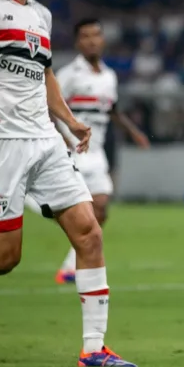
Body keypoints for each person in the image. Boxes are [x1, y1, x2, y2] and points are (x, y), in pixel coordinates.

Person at [0, 0, 135, 367]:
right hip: (0, 141)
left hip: (45, 142)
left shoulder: (40, 14)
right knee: (1, 260)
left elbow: (44, 76)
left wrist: (69, 120)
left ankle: (93, 349)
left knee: (90, 234)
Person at [23, 18, 150, 284]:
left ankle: (70, 267)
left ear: (103, 40)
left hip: (97, 152)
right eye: (85, 36)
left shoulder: (108, 75)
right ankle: (33, 201)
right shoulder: (69, 75)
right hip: (71, 151)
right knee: (82, 213)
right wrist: (63, 137)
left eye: (96, 35)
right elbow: (48, 106)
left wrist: (133, 132)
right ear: (78, 42)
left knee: (100, 210)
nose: (91, 40)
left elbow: (112, 109)